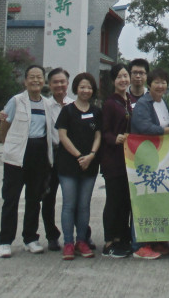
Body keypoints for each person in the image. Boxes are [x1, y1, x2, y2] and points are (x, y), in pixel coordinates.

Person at [0, 65, 52, 257]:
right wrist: (7, 144)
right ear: (25, 81)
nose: (36, 80)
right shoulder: (16, 101)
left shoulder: (47, 104)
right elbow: (5, 124)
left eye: (39, 77)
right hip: (17, 156)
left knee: (34, 199)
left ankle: (30, 238)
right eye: (32, 77)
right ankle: (5, 241)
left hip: (39, 154)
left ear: (44, 81)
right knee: (11, 199)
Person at [129, 67, 169, 260]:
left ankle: (155, 239)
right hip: (144, 157)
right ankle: (139, 245)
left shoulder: (162, 102)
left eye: (163, 82)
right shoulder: (143, 104)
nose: (160, 86)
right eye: (157, 82)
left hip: (160, 158)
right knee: (143, 200)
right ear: (149, 84)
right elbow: (145, 127)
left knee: (157, 200)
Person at [55, 72, 102, 260]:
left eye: (89, 87)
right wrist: (79, 156)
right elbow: (62, 136)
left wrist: (91, 155)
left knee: (84, 205)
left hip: (89, 165)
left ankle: (81, 241)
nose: (86, 90)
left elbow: (98, 135)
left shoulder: (97, 112)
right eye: (82, 87)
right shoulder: (67, 111)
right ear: (76, 88)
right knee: (69, 204)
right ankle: (68, 242)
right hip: (68, 165)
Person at [100, 64, 133, 258]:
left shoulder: (129, 100)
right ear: (113, 80)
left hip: (128, 160)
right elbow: (104, 132)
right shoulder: (110, 104)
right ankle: (109, 241)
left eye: (125, 76)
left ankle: (122, 238)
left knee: (125, 202)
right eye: (119, 77)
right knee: (113, 201)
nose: (123, 80)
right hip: (113, 160)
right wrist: (115, 138)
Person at [41, 68, 71, 251]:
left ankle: (81, 235)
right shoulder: (44, 106)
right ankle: (52, 235)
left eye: (62, 82)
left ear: (68, 83)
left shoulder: (74, 105)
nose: (59, 85)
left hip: (70, 156)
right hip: (50, 156)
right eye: (55, 82)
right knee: (48, 198)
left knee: (73, 198)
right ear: (49, 85)